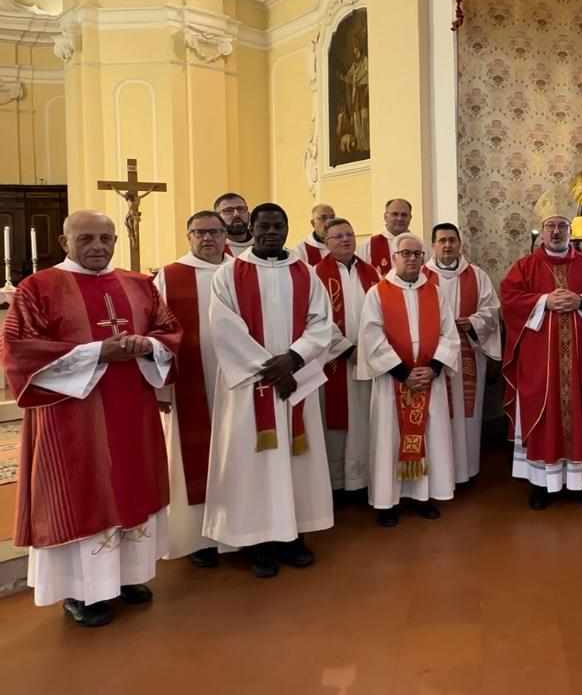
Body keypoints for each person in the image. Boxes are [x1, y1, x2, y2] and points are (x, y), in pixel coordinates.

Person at [2, 211, 180, 627]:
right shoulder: (37, 288)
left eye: (105, 238)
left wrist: (148, 345)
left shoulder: (139, 284)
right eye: (86, 239)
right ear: (65, 243)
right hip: (71, 415)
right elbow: (18, 349)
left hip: (132, 410)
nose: (98, 246)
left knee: (132, 484)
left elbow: (169, 331)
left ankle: (128, 576)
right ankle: (80, 591)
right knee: (80, 492)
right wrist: (99, 352)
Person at [204, 203, 334, 578]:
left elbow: (321, 323)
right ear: (252, 228)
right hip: (250, 387)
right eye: (264, 226)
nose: (272, 232)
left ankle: (292, 537)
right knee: (253, 463)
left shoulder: (305, 273)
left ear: (287, 228)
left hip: (296, 383)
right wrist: (272, 370)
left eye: (278, 226)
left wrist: (294, 359)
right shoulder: (229, 273)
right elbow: (223, 328)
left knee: (296, 460)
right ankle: (256, 541)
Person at [500, 203, 582, 509]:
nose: (556, 232)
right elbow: (509, 300)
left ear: (571, 231)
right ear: (541, 232)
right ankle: (541, 485)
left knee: (581, 411)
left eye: (562, 226)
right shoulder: (525, 267)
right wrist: (543, 302)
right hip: (540, 363)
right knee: (543, 413)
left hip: (581, 362)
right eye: (550, 226)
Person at [358, 233, 461, 526]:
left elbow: (449, 334)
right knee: (389, 441)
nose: (412, 259)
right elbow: (371, 336)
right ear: (394, 257)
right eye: (406, 253)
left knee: (430, 436)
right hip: (393, 382)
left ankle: (423, 496)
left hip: (429, 380)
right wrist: (402, 372)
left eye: (417, 254)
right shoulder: (378, 292)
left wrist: (434, 368)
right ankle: (387, 502)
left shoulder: (434, 292)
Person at [154, 210, 229, 568]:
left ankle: (236, 530)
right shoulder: (170, 276)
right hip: (189, 383)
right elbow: (155, 331)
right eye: (199, 232)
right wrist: (161, 386)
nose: (207, 238)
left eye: (214, 232)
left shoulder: (241, 271)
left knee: (235, 453)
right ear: (188, 237)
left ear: (225, 235)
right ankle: (198, 538)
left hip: (237, 382)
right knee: (189, 460)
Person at [423, 223, 501, 484]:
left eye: (452, 240)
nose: (447, 245)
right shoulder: (420, 275)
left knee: (466, 414)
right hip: (433, 357)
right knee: (436, 413)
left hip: (467, 352)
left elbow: (492, 310)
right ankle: (438, 473)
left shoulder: (477, 275)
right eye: (442, 240)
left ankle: (465, 470)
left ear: (460, 244)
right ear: (433, 245)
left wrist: (474, 322)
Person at [314, 217, 382, 498]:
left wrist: (371, 349)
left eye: (349, 235)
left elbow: (383, 312)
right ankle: (338, 484)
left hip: (368, 361)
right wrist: (346, 349)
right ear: (326, 242)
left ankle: (365, 480)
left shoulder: (372, 273)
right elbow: (316, 319)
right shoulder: (316, 275)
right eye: (338, 236)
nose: (345, 240)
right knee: (336, 427)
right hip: (335, 363)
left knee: (366, 421)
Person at [359, 198, 413, 277]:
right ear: (385, 216)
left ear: (410, 218)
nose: (399, 218)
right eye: (395, 214)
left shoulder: (419, 246)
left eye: (404, 215)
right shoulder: (368, 245)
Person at [214, 192, 253, 257]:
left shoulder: (263, 244)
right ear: (217, 217)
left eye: (241, 209)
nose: (236, 214)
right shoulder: (213, 248)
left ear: (248, 214)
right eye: (228, 210)